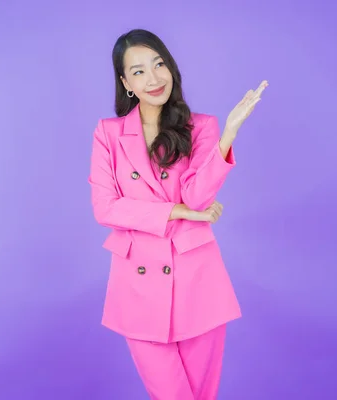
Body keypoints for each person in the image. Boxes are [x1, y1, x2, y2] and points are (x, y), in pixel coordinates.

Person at [88, 28, 268, 400]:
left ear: (171, 68)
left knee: (202, 395)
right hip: (138, 286)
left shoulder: (201, 127)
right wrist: (176, 211)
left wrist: (228, 135)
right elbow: (106, 208)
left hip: (197, 280)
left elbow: (198, 198)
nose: (153, 78)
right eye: (138, 71)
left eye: (159, 64)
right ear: (125, 83)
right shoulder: (108, 134)